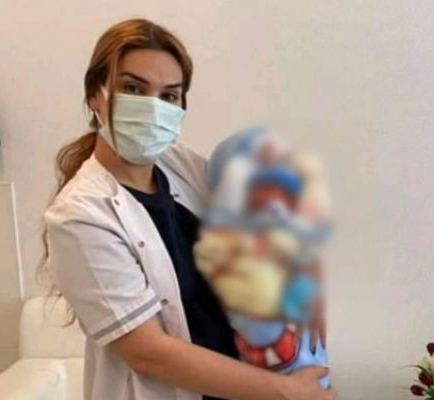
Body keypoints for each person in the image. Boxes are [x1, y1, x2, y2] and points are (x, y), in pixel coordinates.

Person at [42, 18, 335, 400]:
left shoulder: (180, 166)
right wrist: (286, 391)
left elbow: (254, 225)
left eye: (168, 96)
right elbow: (148, 354)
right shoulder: (79, 215)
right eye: (133, 88)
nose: (152, 108)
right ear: (95, 96)